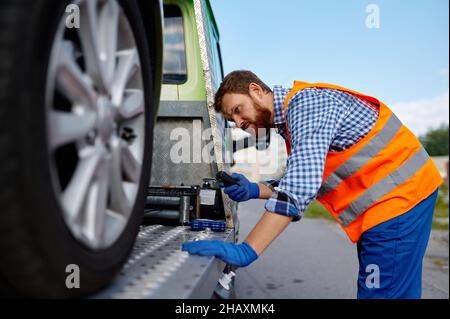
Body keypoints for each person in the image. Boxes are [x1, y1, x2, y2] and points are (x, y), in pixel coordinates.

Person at [182, 70, 443, 299]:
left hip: (398, 201)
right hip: (398, 199)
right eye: (232, 120)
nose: (238, 124)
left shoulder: (307, 105)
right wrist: (254, 189)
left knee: (381, 293)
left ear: (256, 91)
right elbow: (308, 175)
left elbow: (299, 187)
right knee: (395, 289)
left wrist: (246, 250)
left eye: (238, 110)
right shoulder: (294, 122)